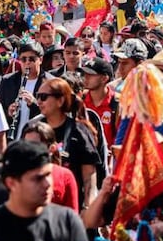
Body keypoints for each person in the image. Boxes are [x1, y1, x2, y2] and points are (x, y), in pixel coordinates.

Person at [34, 77, 101, 209]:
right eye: (38, 96)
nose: (39, 101)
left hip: (70, 206)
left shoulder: (79, 132)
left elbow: (89, 179)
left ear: (60, 101)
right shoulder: (33, 128)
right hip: (39, 205)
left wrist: (88, 208)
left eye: (44, 97)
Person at [21, 120, 80, 211]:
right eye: (26, 144)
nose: (29, 149)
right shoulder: (16, 174)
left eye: (35, 145)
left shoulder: (65, 176)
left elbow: (72, 214)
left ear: (51, 148)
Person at [0, 41, 44, 140]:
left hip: (37, 139)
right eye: (23, 59)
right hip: (12, 139)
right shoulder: (7, 81)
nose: (27, 62)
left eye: (31, 59)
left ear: (40, 60)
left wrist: (34, 103)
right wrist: (8, 112)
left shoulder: (49, 82)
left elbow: (52, 113)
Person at [79, 57, 118, 148]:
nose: (85, 77)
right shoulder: (80, 99)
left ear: (104, 78)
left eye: (91, 74)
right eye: (84, 74)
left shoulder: (117, 103)